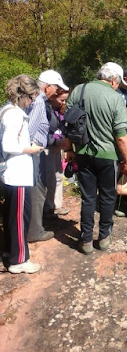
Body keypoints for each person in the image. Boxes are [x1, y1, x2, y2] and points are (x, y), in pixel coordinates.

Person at [65, 62, 127, 255]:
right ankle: (103, 238)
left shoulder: (78, 90)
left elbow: (68, 123)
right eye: (118, 83)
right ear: (113, 80)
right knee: (108, 196)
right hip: (108, 157)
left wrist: (69, 149)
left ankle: (85, 240)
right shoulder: (115, 97)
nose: (118, 87)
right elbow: (120, 135)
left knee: (88, 198)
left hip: (83, 153)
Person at [0, 75, 44, 274]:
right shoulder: (14, 115)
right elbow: (8, 145)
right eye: (32, 97)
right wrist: (31, 149)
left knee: (12, 217)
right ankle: (19, 260)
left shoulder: (8, 111)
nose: (33, 101)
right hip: (16, 174)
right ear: (23, 95)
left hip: (14, 174)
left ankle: (10, 253)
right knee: (19, 218)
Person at [27, 70, 69, 242]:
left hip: (40, 149)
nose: (57, 92)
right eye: (57, 88)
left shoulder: (41, 101)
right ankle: (35, 230)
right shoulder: (38, 102)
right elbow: (30, 131)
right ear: (49, 87)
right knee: (38, 188)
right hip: (35, 151)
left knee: (42, 185)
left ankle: (35, 227)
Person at [43, 89, 70, 219]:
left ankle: (57, 205)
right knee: (50, 178)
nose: (63, 102)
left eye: (65, 100)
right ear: (53, 97)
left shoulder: (61, 110)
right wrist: (54, 141)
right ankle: (48, 207)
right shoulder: (45, 109)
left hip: (58, 147)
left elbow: (63, 127)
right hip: (47, 148)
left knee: (59, 175)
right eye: (62, 99)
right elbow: (42, 133)